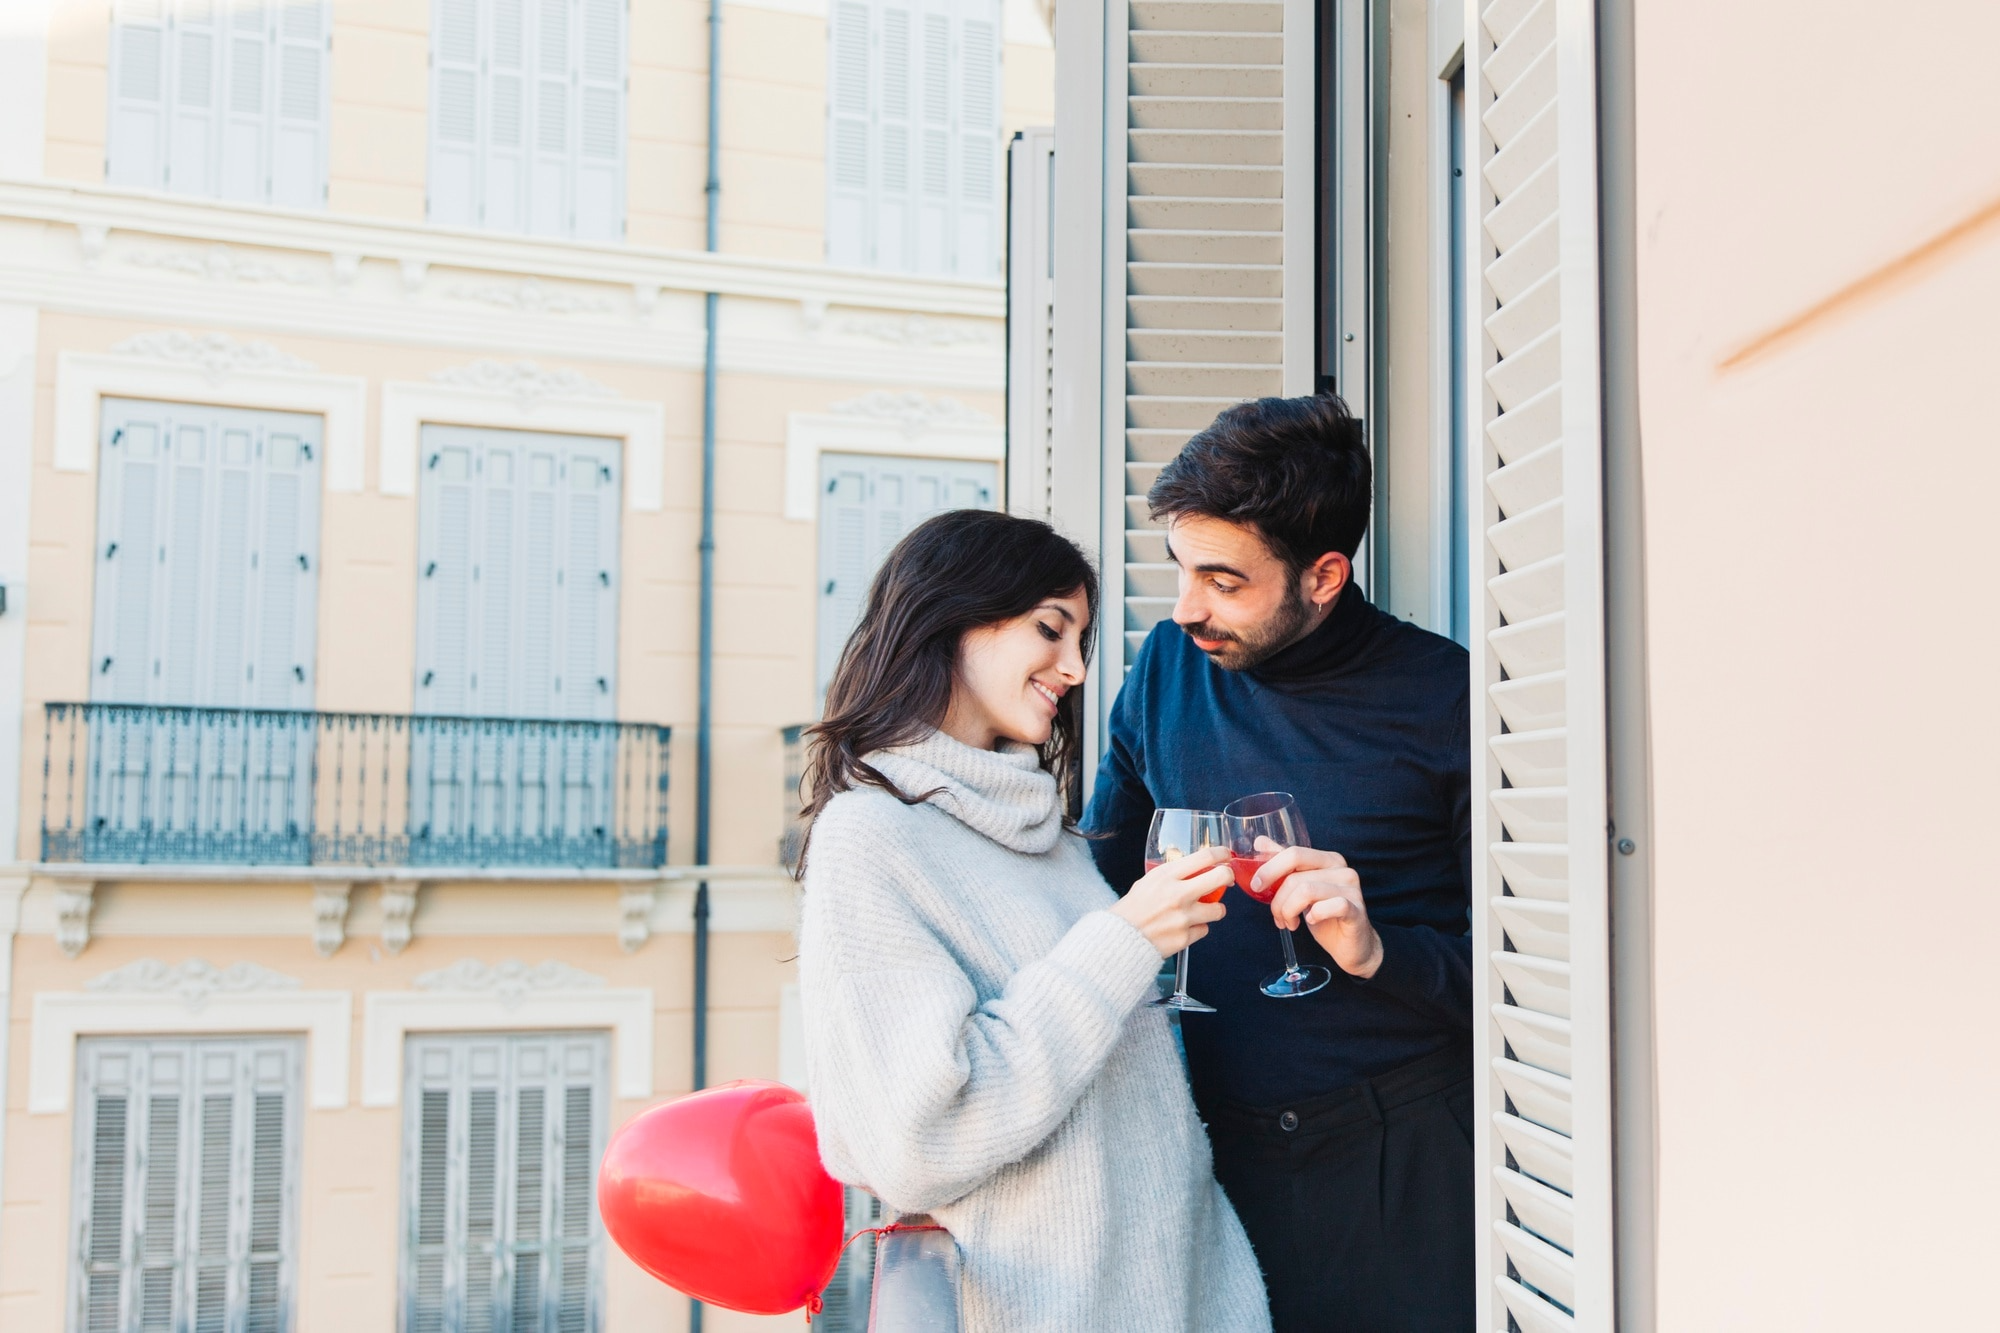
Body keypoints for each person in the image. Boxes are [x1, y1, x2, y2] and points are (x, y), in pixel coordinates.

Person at [797, 509, 1272, 1333]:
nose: (1077, 667)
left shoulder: (1044, 833)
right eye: (1051, 630)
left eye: (1082, 639)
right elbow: (917, 1141)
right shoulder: (871, 836)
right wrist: (1123, 943)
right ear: (952, 617)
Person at [1085, 393, 1474, 1333]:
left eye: (1224, 581)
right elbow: (1096, 873)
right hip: (1207, 1143)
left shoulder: (1446, 697)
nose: (1186, 610)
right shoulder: (1166, 668)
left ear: (1324, 574)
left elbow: (1529, 981)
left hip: (1398, 1154)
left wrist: (1378, 948)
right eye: (1181, 571)